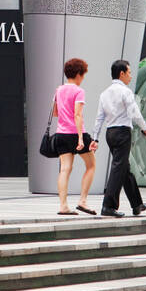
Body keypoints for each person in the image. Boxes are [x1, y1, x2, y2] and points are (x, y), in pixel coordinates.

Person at [91, 60, 146, 218]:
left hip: (110, 133)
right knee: (118, 168)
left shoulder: (104, 94)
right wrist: (144, 127)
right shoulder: (125, 92)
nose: (130, 76)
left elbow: (99, 118)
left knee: (124, 168)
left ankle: (137, 204)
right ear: (121, 73)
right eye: (129, 72)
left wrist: (95, 138)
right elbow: (134, 112)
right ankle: (108, 206)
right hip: (123, 132)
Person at [53, 57, 97, 216]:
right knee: (91, 165)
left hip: (61, 134)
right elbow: (78, 115)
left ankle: (63, 206)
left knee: (65, 169)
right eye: (83, 75)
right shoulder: (79, 91)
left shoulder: (59, 90)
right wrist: (80, 138)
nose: (83, 78)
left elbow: (55, 113)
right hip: (76, 133)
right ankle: (82, 201)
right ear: (78, 74)